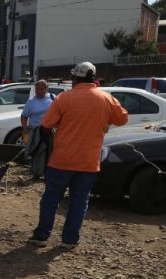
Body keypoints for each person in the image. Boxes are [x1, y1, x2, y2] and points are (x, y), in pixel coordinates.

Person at [28, 62, 128, 249]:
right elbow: (122, 119)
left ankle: (41, 236)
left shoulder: (64, 98)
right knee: (79, 201)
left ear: (74, 78)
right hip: (88, 163)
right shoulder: (106, 98)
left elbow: (46, 125)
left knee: (51, 199)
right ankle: (70, 239)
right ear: (94, 79)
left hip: (61, 161)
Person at [21, 79, 55, 180]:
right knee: (35, 151)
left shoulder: (52, 99)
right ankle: (36, 173)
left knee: (49, 152)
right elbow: (24, 116)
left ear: (46, 89)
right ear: (35, 89)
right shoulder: (31, 102)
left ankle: (47, 174)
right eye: (38, 89)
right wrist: (25, 130)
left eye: (42, 89)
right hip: (35, 131)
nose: (40, 91)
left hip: (49, 131)